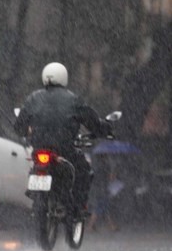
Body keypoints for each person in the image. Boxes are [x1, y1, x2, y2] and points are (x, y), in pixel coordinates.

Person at [15, 62, 112, 216]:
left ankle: (34, 192)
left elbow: (19, 127)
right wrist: (104, 129)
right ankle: (79, 207)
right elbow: (92, 121)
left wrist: (28, 133)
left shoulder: (33, 98)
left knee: (35, 167)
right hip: (65, 150)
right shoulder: (73, 100)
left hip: (39, 149)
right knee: (84, 171)